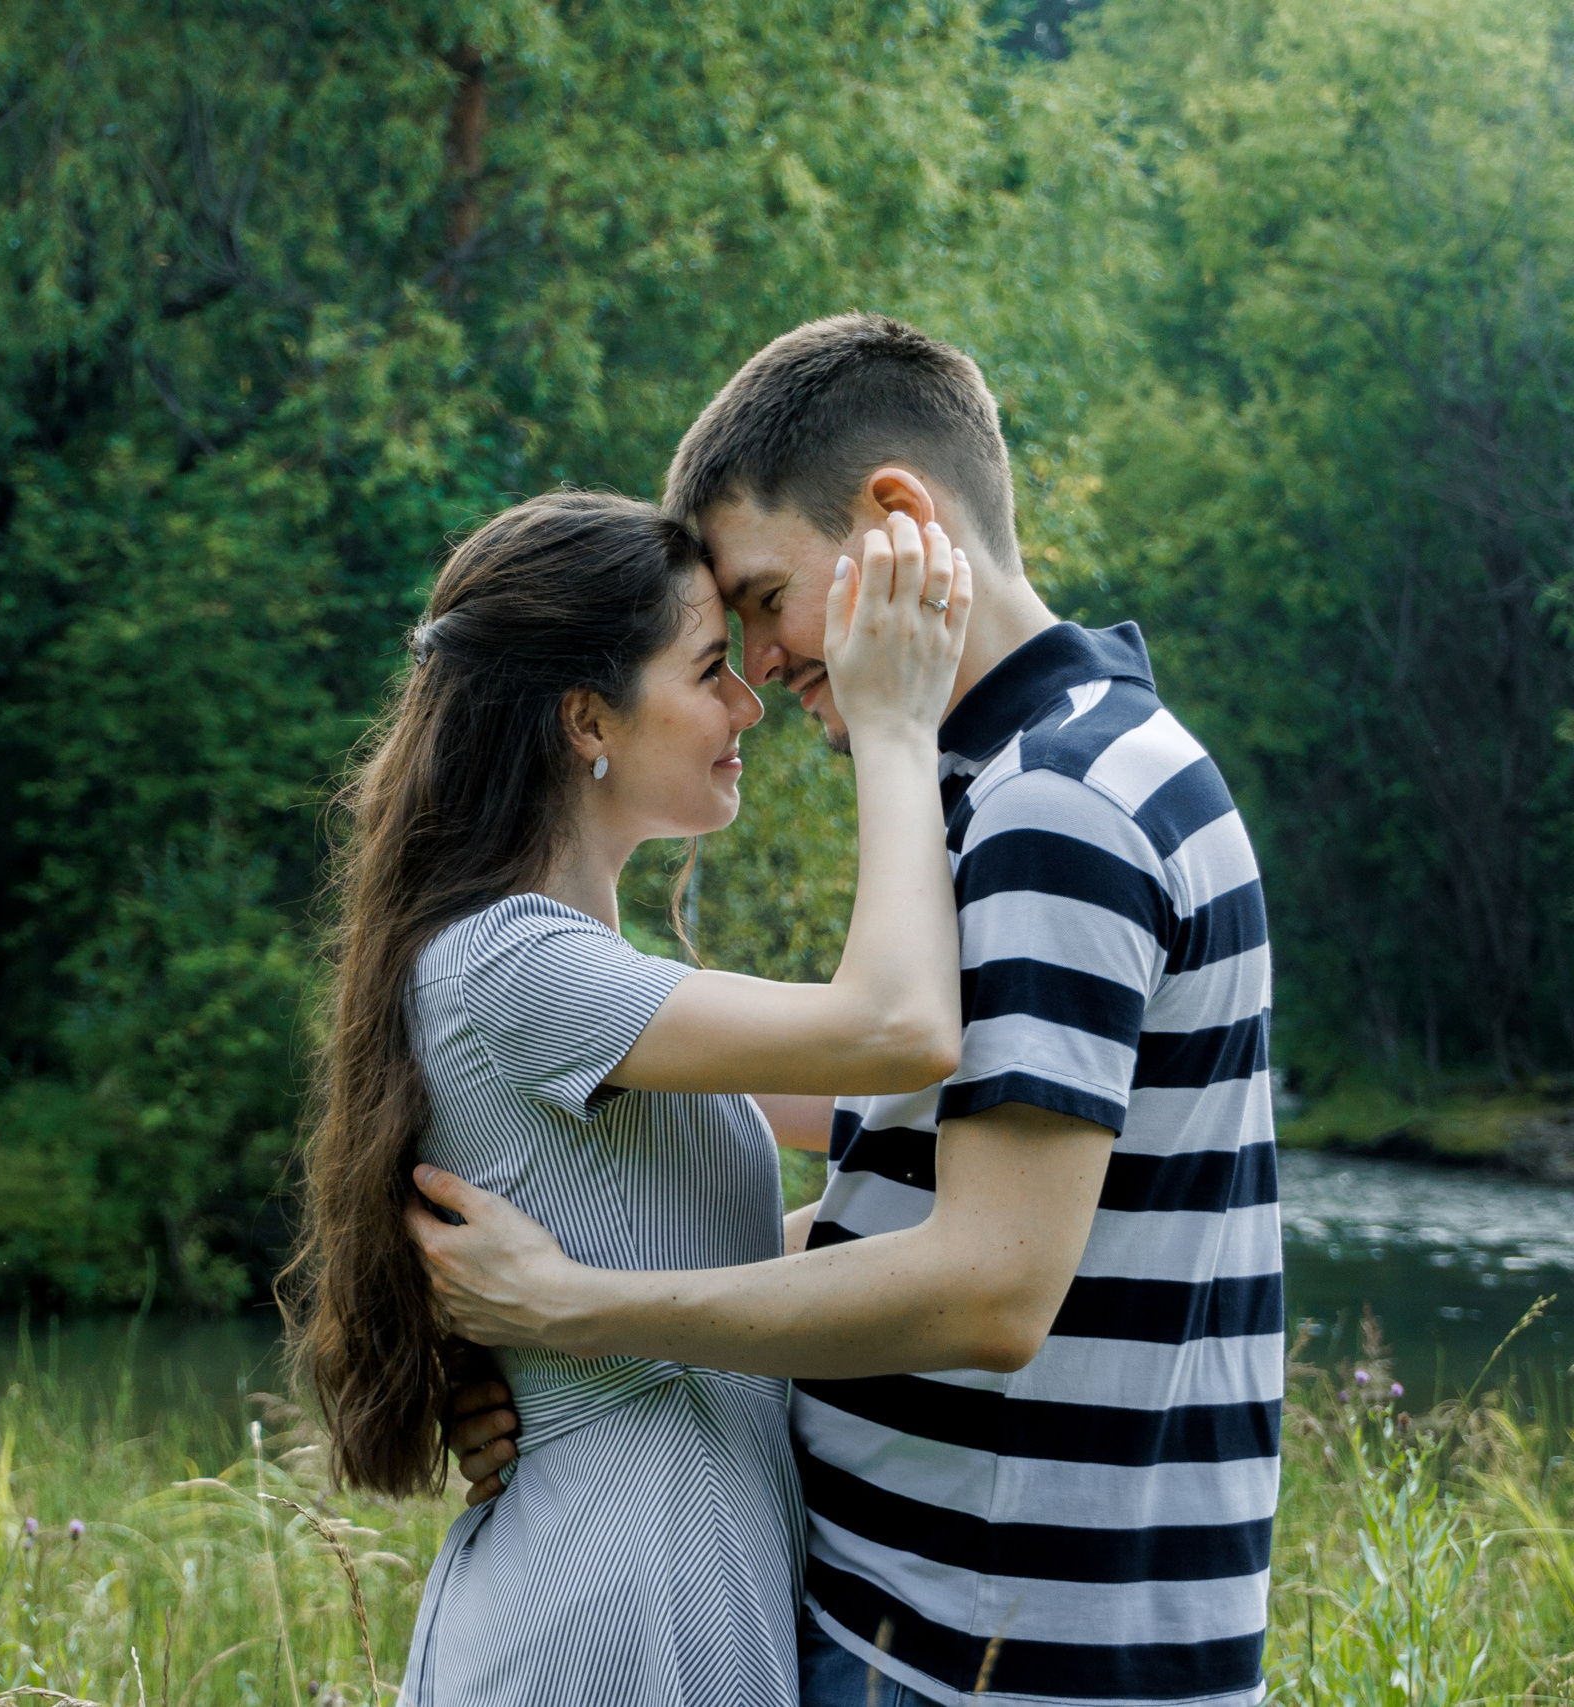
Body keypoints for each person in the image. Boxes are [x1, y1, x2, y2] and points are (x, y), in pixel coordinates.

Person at [414, 315, 1283, 1707]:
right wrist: (546, 1359)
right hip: (955, 1628)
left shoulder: (1051, 807)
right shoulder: (1042, 779)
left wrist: (588, 1314)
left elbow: (988, 1283)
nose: (760, 667)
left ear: (894, 518)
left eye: (763, 599)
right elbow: (910, 1201)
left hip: (985, 1653)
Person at [281, 484, 975, 1707]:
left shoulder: (584, 983)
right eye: (709, 668)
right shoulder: (514, 966)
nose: (747, 702)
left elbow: (886, 1133)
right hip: (611, 1604)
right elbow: (898, 1028)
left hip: (658, 1575)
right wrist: (895, 726)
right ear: (585, 718)